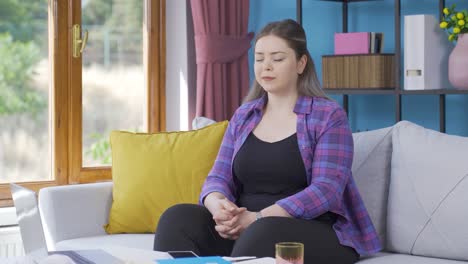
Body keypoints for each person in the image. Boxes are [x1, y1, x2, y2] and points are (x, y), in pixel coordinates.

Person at [154, 19, 381, 264]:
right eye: (260, 58)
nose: (266, 67)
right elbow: (218, 177)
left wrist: (258, 218)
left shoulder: (328, 116)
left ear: (301, 63)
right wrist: (219, 206)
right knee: (177, 219)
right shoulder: (244, 115)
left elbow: (326, 190)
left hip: (311, 230)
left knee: (263, 233)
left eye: (278, 58)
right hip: (247, 228)